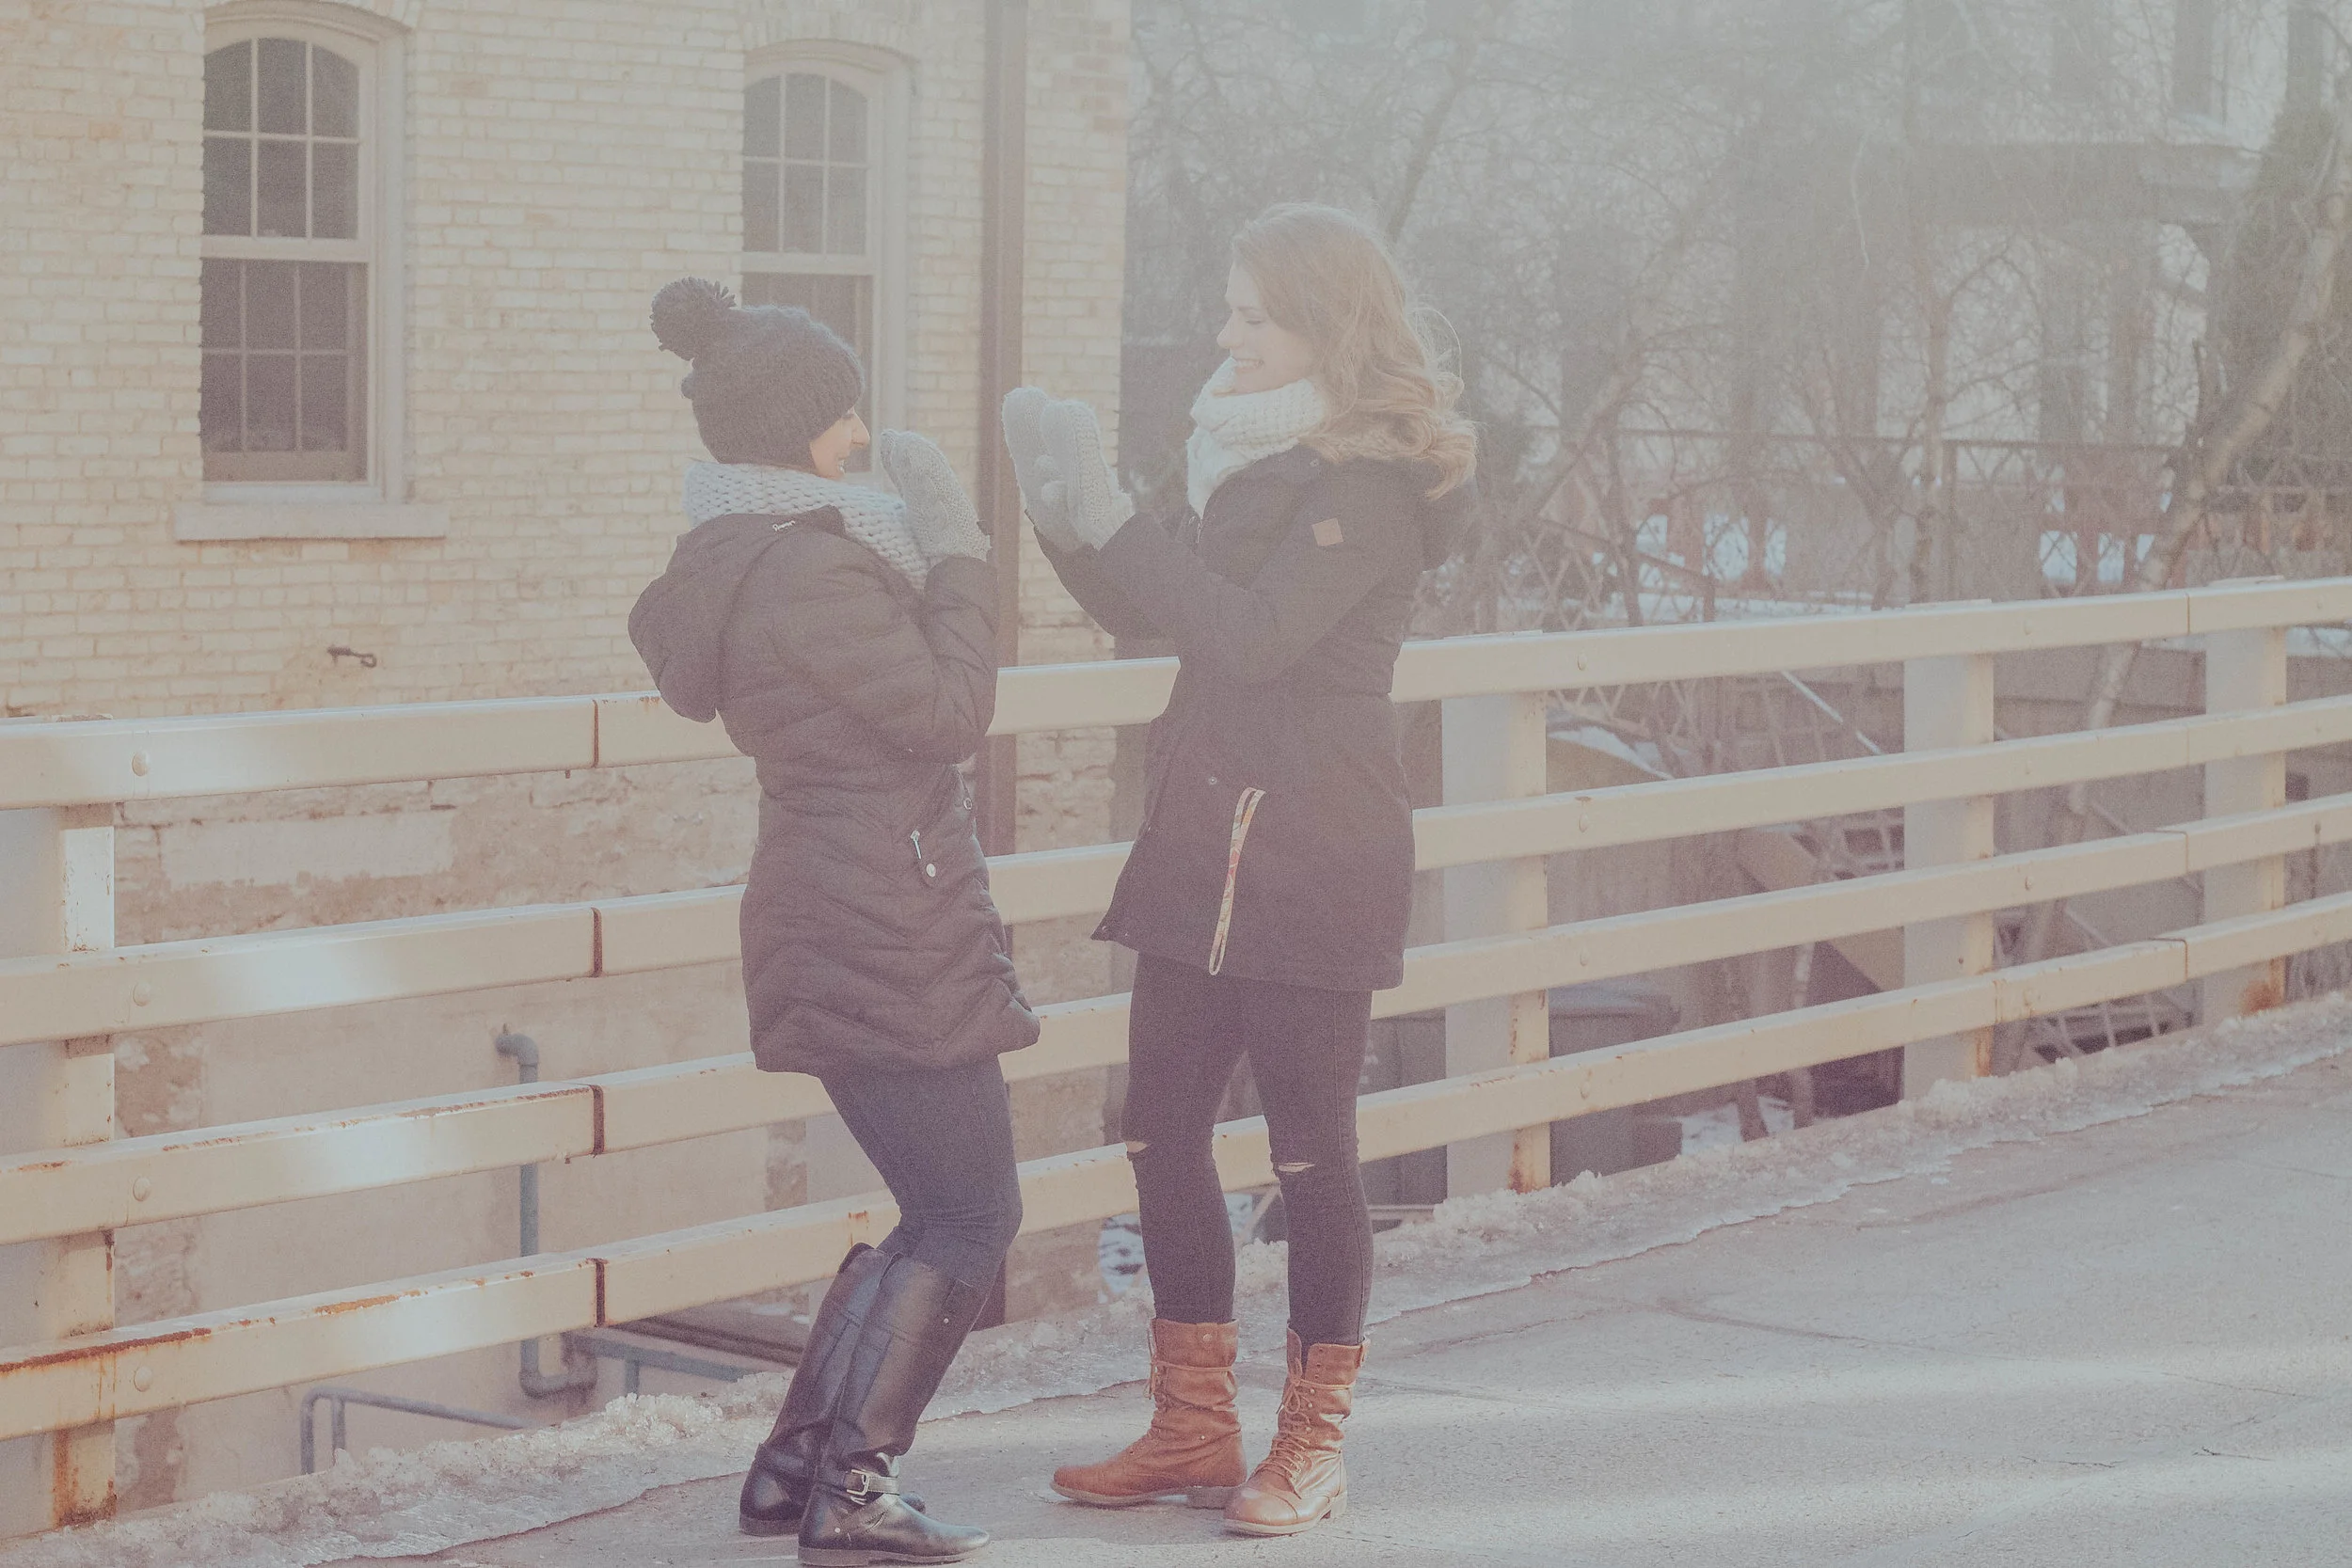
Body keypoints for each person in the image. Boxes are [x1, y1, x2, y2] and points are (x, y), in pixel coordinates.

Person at [1002, 204, 1476, 1538]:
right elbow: (1150, 609)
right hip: (1202, 838)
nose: (1226, 336)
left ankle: (1310, 1443)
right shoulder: (1240, 460)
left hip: (1317, 849)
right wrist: (1063, 517)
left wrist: (1115, 518)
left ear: (1326, 323)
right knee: (1158, 1132)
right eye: (1228, 309)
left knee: (1312, 1153)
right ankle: (1193, 1423)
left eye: (1253, 314)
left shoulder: (1369, 488)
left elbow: (1255, 637)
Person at [630, 277, 1035, 1567]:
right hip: (887, 915)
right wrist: (961, 557)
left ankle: (800, 1467)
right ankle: (854, 1491)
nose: (862, 434)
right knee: (972, 1211)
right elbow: (949, 710)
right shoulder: (813, 569)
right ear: (792, 430)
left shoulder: (756, 555)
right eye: (842, 414)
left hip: (844, 902)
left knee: (936, 1204)